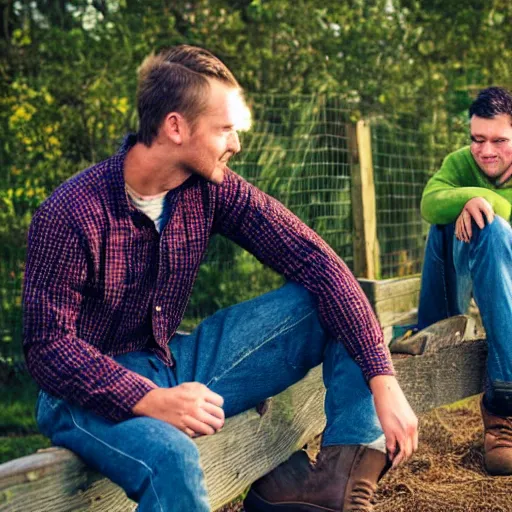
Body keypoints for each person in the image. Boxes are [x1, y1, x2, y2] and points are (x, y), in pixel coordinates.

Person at [23, 45, 417, 512]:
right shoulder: (71, 213)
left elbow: (318, 262)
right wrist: (149, 398)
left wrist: (382, 378)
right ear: (176, 127)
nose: (236, 143)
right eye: (225, 128)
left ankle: (335, 486)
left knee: (327, 299)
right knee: (172, 456)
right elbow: (48, 349)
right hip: (81, 395)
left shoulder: (210, 189)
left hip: (174, 364)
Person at [416, 86, 512, 476]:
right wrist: (468, 200)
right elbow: (429, 203)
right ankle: (435, 329)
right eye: (477, 139)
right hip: (458, 281)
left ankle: (501, 408)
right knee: (447, 227)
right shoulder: (459, 162)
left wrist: (479, 205)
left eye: (499, 141)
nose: (486, 151)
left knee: (493, 230)